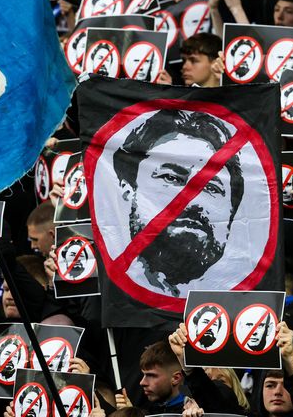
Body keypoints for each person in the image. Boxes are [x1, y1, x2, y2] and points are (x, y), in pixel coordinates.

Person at [113, 109, 244, 297]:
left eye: (212, 187)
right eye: (171, 178)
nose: (192, 199)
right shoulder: (97, 278)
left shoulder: (246, 304)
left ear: (232, 212)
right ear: (128, 190)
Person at [137, 341, 185, 414]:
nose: (142, 383)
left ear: (176, 378)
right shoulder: (147, 409)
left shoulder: (195, 411)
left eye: (151, 375)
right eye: (143, 375)